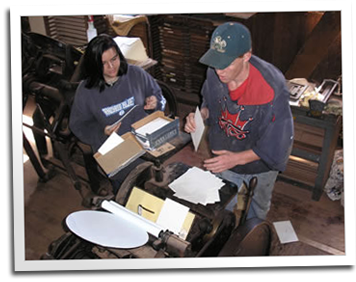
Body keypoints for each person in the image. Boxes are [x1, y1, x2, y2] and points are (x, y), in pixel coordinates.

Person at [184, 22, 294, 221]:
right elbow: (210, 105)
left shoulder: (271, 88)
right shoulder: (215, 71)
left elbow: (277, 144)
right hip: (224, 153)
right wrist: (200, 116)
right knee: (221, 204)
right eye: (216, 62)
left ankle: (252, 237)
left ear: (246, 56)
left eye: (227, 63)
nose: (219, 71)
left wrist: (235, 158)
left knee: (257, 209)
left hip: (259, 165)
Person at [70, 34, 166, 194]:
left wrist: (154, 102)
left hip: (146, 148)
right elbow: (78, 125)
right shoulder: (86, 91)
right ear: (94, 66)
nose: (111, 67)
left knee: (152, 192)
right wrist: (101, 131)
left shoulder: (135, 74)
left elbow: (158, 95)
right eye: (104, 63)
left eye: (114, 59)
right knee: (125, 194)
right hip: (116, 155)